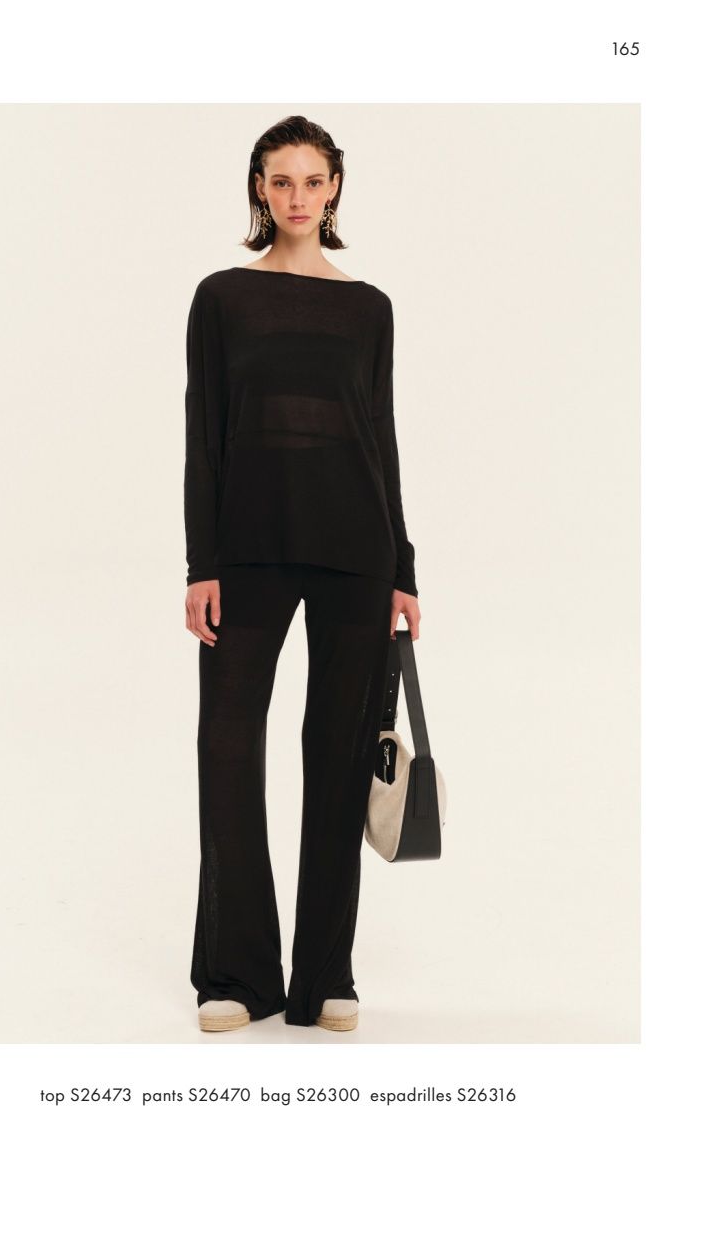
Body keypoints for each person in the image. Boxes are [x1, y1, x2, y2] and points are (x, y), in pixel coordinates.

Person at [183, 114, 421, 1033]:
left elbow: (379, 435)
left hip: (356, 550)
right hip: (246, 547)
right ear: (259, 188)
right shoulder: (222, 296)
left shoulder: (368, 307)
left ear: (333, 190)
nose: (296, 197)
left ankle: (325, 973)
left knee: (338, 753)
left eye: (312, 181)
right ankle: (237, 973)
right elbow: (205, 433)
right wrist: (202, 562)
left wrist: (402, 567)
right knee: (226, 745)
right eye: (280, 181)